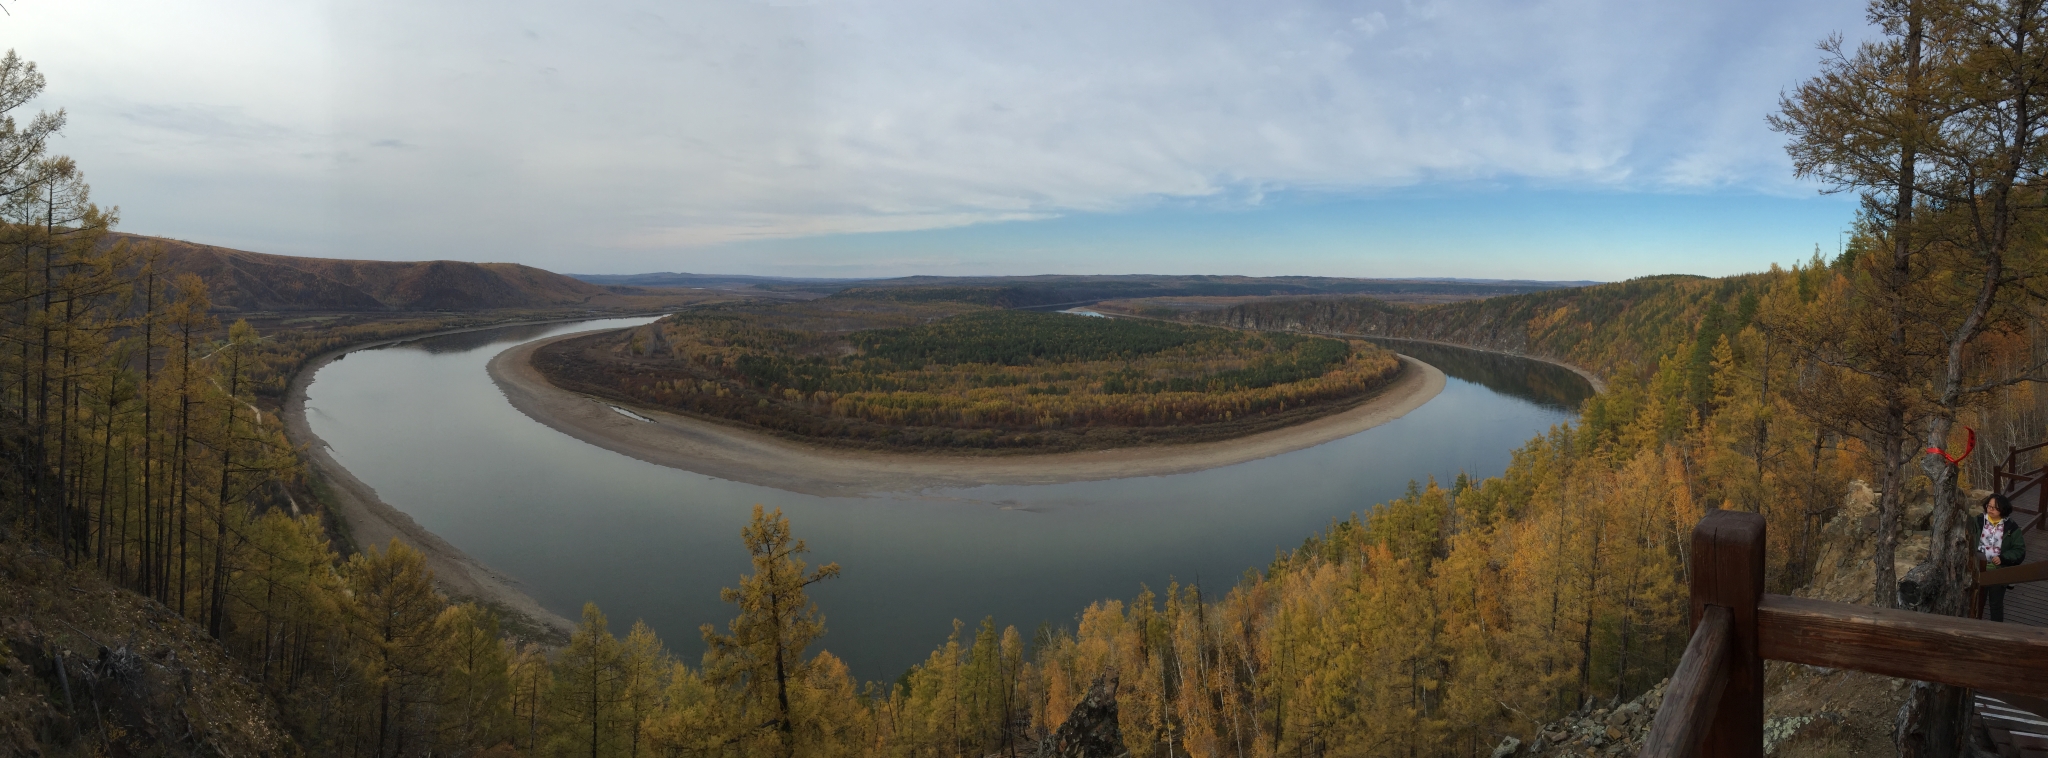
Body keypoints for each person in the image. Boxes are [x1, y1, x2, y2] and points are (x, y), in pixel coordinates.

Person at [1969, 493, 2028, 622]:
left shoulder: (2011, 527)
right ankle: (1973, 628)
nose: (1990, 510)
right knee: (1976, 602)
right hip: (1978, 570)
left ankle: (1997, 631)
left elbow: (2019, 550)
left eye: (1994, 508)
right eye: (1988, 506)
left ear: (2003, 510)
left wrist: (2003, 558)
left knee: (1995, 604)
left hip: (1998, 570)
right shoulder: (1977, 521)